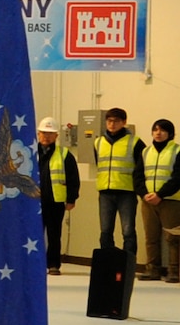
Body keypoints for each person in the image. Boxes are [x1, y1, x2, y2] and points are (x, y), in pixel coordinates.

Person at [92, 107, 145, 268]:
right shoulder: (98, 142)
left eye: (116, 121)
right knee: (105, 231)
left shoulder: (135, 142)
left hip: (126, 192)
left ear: (124, 122)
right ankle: (108, 265)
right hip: (105, 192)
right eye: (109, 121)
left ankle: (128, 265)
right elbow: (98, 164)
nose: (112, 124)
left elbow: (141, 168)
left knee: (128, 231)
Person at [37, 117, 80, 276]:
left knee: (54, 235)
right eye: (43, 133)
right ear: (38, 134)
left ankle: (53, 264)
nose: (46, 136)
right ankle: (35, 264)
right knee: (34, 235)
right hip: (34, 202)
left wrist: (71, 199)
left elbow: (73, 178)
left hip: (55, 201)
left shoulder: (64, 154)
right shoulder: (29, 153)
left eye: (50, 133)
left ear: (56, 136)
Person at [140, 118, 179, 282]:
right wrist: (144, 194)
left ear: (170, 134)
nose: (158, 133)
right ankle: (152, 269)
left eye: (162, 130)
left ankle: (174, 271)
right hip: (148, 201)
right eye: (155, 129)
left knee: (174, 238)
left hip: (170, 200)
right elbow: (137, 176)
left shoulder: (177, 151)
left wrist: (160, 194)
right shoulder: (146, 152)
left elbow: (178, 178)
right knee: (151, 237)